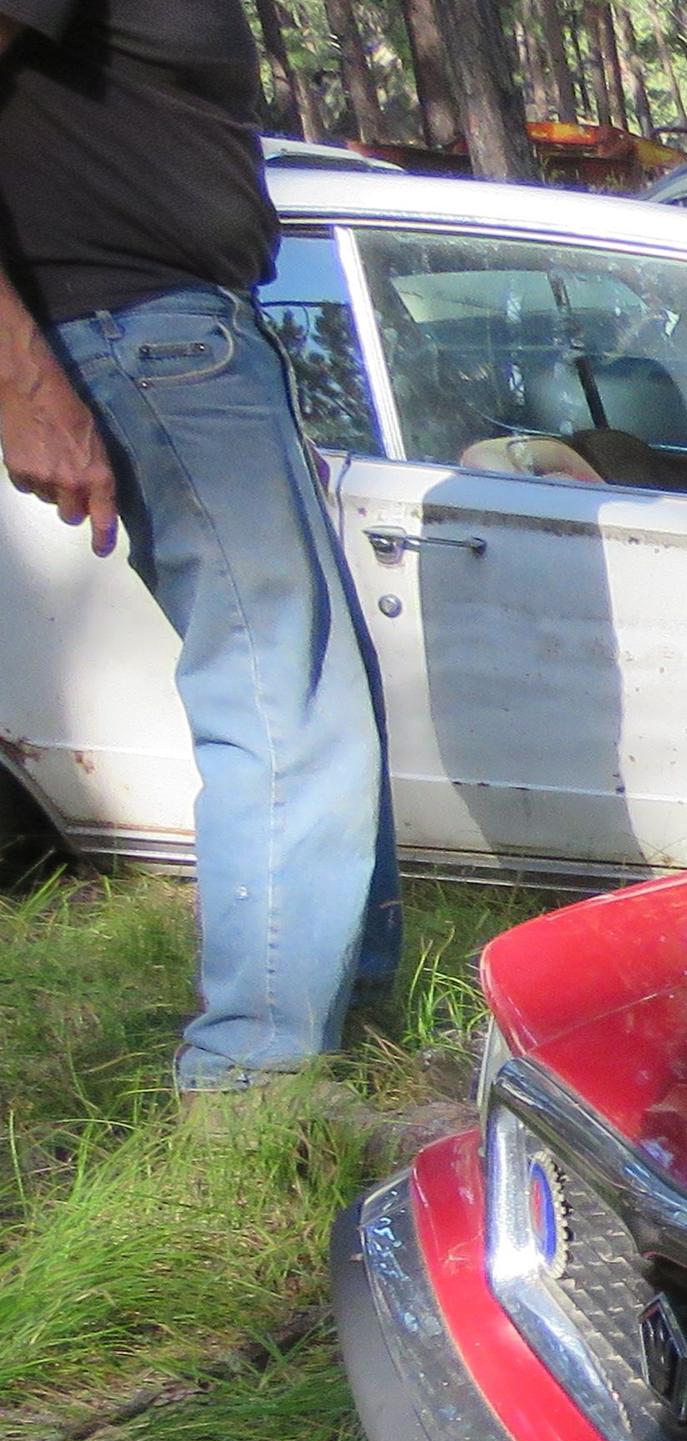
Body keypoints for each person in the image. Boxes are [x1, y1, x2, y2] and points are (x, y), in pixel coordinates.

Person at [0, 0, 397, 1098]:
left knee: (323, 690)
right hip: (135, 325)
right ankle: (253, 1084)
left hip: (197, 335)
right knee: (281, 706)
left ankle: (350, 1040)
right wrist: (18, 377)